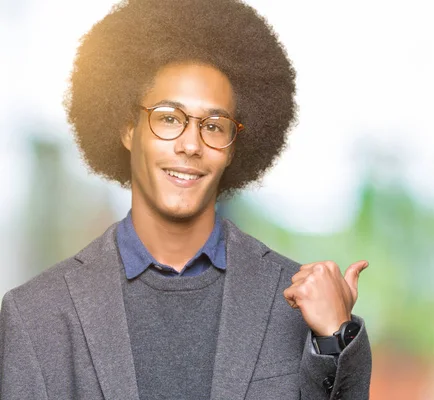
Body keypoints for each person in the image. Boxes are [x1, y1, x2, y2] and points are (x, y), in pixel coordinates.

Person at [0, 0, 372, 399]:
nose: (191, 144)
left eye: (214, 126)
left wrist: (334, 337)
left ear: (232, 148)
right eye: (169, 118)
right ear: (128, 129)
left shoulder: (294, 302)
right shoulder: (37, 315)